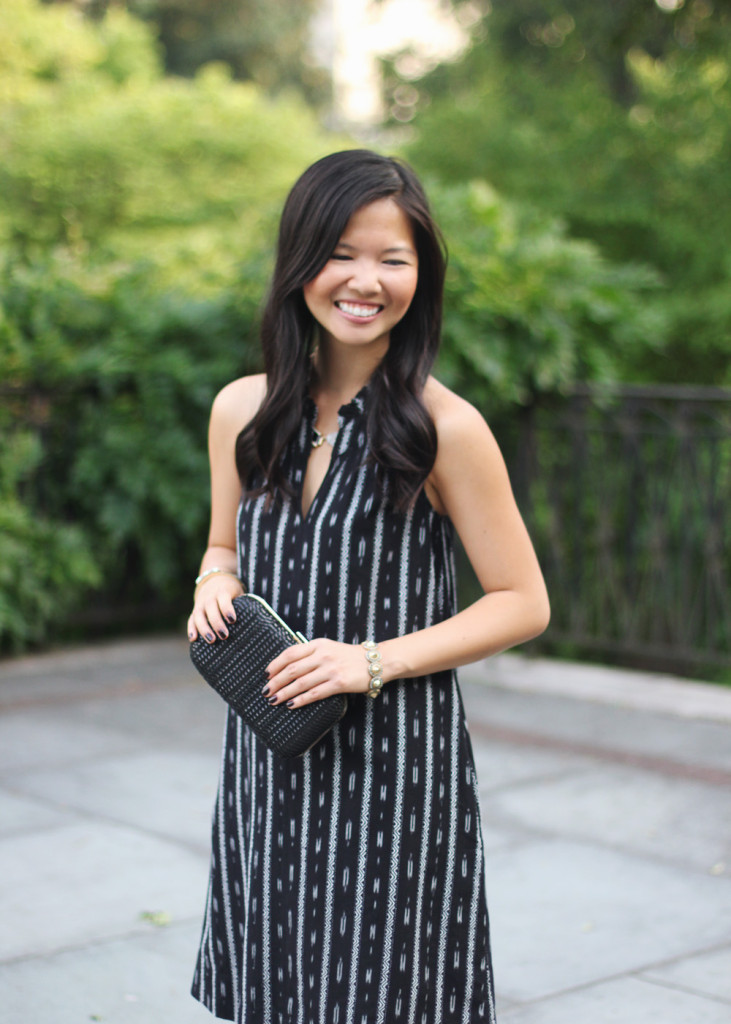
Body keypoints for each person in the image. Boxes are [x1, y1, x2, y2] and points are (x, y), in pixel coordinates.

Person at [187, 149, 550, 1024]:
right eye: (342, 253)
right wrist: (213, 576)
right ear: (300, 264)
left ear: (419, 277)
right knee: (275, 983)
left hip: (396, 771)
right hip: (269, 758)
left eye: (393, 259)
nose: (365, 280)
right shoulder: (242, 410)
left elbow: (522, 601)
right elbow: (221, 544)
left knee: (384, 992)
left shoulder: (443, 428)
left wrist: (366, 663)